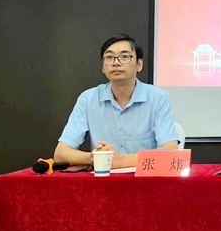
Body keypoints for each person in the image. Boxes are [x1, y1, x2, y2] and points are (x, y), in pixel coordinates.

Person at [54, 34, 180, 168]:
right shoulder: (88, 99)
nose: (116, 63)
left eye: (125, 57)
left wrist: (119, 161)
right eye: (109, 57)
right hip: (104, 178)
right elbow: (61, 153)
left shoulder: (158, 98)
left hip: (144, 178)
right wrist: (96, 157)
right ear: (103, 68)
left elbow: (171, 152)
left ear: (139, 65)